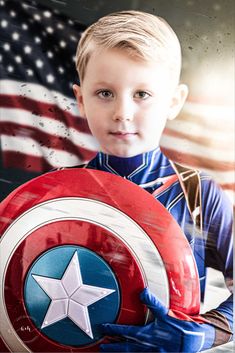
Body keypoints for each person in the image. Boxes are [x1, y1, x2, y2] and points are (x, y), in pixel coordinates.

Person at [72, 10, 233, 352]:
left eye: (142, 94)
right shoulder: (56, 196)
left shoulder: (198, 194)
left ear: (174, 101)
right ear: (81, 99)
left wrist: (206, 332)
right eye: (105, 93)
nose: (123, 112)